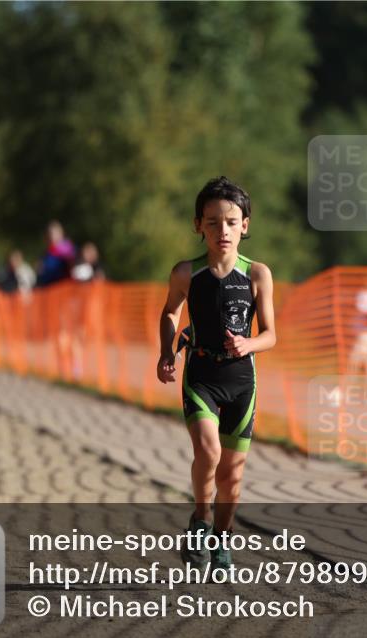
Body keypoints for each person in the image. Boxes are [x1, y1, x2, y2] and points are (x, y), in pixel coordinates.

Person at [156, 176, 276, 570]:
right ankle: (201, 520)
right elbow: (171, 311)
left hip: (242, 380)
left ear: (245, 225)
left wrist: (248, 344)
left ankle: (222, 538)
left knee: (231, 474)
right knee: (207, 451)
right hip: (202, 373)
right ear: (197, 226)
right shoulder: (185, 273)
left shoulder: (258, 274)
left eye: (230, 222)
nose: (221, 230)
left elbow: (271, 334)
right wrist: (165, 352)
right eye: (212, 222)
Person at [36, 220, 76, 287]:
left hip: (66, 289)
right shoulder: (46, 255)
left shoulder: (69, 251)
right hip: (49, 291)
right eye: (49, 234)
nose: (51, 237)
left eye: (54, 233)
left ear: (61, 234)